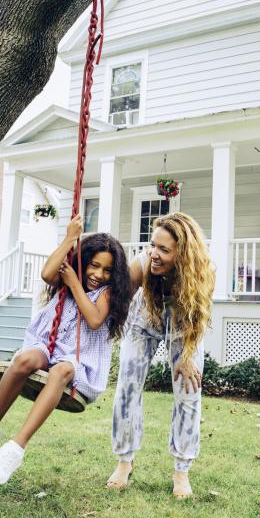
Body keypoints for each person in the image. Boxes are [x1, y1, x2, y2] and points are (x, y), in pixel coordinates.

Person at [0, 215, 131, 485]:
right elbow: (48, 274)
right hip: (48, 345)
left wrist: (75, 282)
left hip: (80, 359)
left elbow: (95, 320)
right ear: (84, 261)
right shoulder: (68, 275)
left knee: (61, 370)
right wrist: (69, 239)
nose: (98, 274)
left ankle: (15, 449)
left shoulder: (106, 293)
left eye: (106, 270)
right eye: (94, 265)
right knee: (24, 359)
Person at [107, 212, 215, 499]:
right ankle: (124, 461)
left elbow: (199, 317)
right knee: (127, 386)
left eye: (164, 250)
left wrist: (187, 355)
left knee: (188, 391)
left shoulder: (202, 271)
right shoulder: (142, 265)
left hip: (185, 326)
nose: (154, 254)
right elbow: (116, 303)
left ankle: (181, 470)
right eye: (153, 245)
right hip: (145, 319)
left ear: (183, 253)